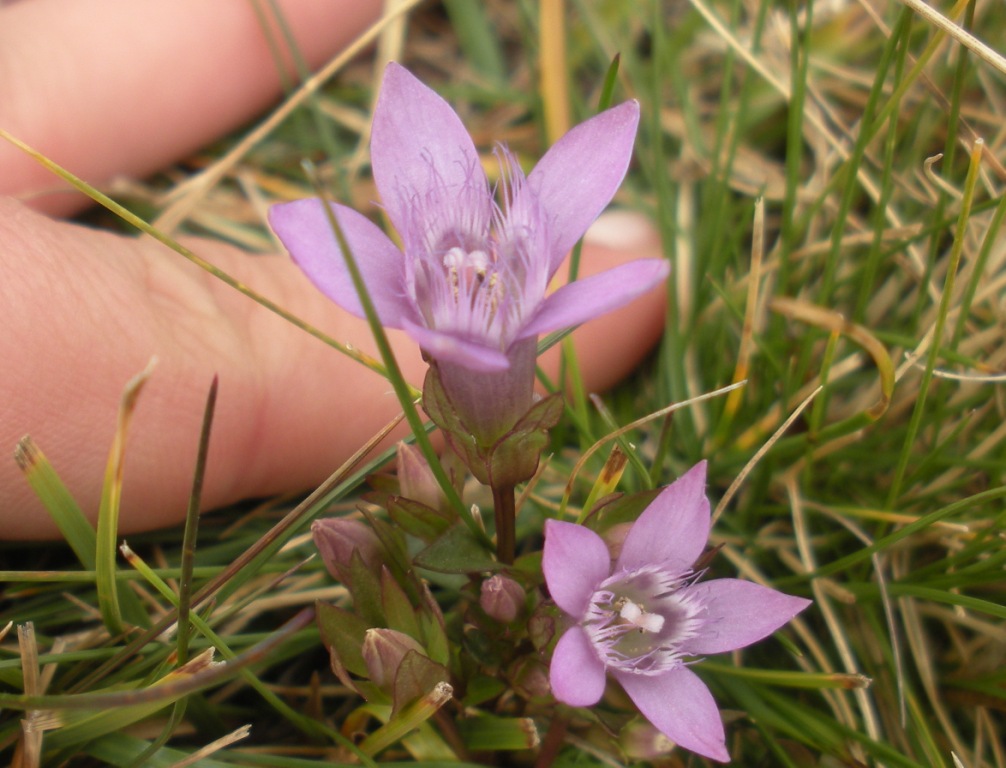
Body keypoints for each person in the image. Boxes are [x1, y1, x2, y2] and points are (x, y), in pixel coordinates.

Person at [0, 0, 666, 540]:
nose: (468, 277)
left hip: (493, 406)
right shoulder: (417, 292)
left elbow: (627, 257)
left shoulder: (527, 236)